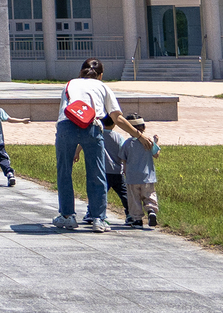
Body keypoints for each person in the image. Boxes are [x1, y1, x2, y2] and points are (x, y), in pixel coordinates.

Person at [51, 58, 153, 232]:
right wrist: (139, 135)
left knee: (64, 172)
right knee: (97, 172)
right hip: (92, 127)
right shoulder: (103, 87)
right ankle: (98, 219)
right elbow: (117, 118)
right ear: (101, 75)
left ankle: (67, 216)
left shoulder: (70, 84)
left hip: (66, 126)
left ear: (81, 72)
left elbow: (66, 108)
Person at [121, 114, 160, 227]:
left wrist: (124, 170)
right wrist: (156, 142)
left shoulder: (128, 143)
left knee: (134, 199)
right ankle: (151, 211)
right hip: (148, 176)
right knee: (149, 195)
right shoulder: (149, 142)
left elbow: (123, 159)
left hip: (132, 177)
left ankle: (137, 219)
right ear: (144, 127)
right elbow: (156, 154)